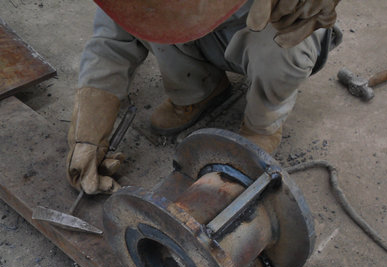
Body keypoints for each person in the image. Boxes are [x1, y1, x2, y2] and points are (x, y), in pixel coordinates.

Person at [67, 0, 341, 195]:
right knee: (148, 18)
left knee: (286, 40)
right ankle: (199, 89)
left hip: (262, 25)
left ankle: (262, 125)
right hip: (200, 30)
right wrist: (88, 132)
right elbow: (111, 40)